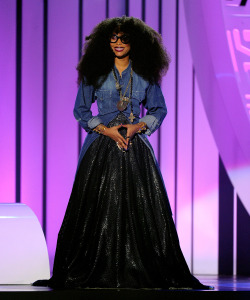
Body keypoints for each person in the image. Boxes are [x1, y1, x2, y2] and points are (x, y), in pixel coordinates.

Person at [33, 16, 212, 290]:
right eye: (113, 38)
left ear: (134, 42)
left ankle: (141, 267)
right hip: (100, 146)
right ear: (107, 41)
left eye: (124, 38)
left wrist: (137, 126)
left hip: (134, 145)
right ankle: (95, 266)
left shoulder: (145, 74)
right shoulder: (95, 73)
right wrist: (106, 130)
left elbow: (158, 110)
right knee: (94, 206)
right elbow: (80, 111)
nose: (118, 43)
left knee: (143, 207)